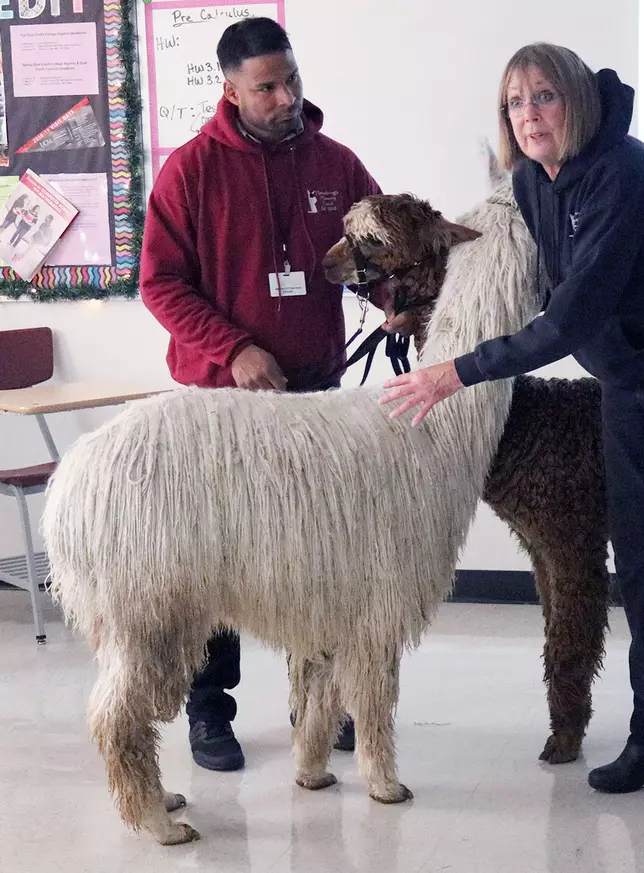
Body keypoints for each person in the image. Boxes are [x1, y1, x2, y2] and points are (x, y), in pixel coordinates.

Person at [379, 43, 644, 826]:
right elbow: (501, 273)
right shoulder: (529, 180)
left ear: (577, 104)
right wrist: (423, 310)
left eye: (544, 97)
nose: (529, 114)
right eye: (516, 102)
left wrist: (457, 370)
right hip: (627, 372)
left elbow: (573, 313)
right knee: (640, 558)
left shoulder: (626, 173)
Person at [141, 16, 379, 771]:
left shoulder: (337, 165)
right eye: (266, 87)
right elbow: (159, 284)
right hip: (222, 411)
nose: (284, 98)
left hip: (316, 401)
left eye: (291, 80)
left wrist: (398, 297)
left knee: (320, 556)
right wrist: (233, 346)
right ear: (231, 90)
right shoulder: (190, 171)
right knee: (219, 565)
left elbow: (377, 256)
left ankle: (320, 703)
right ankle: (210, 713)